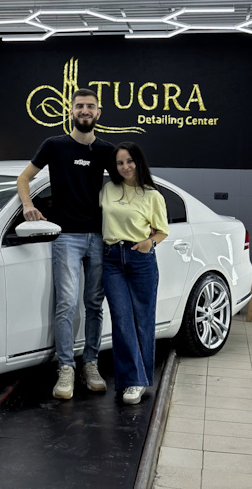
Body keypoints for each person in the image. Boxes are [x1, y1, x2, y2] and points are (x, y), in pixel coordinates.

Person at [17, 88, 114, 400]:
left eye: (90, 106)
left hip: (98, 236)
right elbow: (23, 179)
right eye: (80, 106)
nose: (85, 110)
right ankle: (66, 367)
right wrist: (28, 205)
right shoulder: (54, 145)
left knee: (94, 304)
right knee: (67, 304)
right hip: (66, 237)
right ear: (71, 111)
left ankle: (91, 363)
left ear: (98, 113)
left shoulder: (106, 151)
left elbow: (126, 189)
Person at [100, 142, 169, 405]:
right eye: (120, 163)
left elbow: (162, 231)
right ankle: (131, 378)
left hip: (140, 259)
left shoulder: (152, 195)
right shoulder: (108, 189)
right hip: (111, 259)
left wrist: (148, 243)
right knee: (121, 319)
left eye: (129, 161)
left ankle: (137, 381)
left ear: (138, 162)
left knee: (143, 320)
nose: (125, 166)